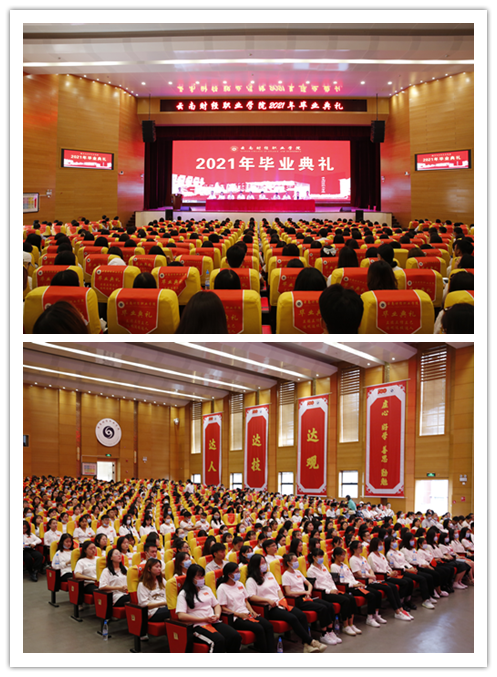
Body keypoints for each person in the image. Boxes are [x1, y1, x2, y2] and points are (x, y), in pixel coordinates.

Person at [245, 554, 325, 653]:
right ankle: (311, 642)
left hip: (280, 603)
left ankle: (306, 645)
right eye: (261, 563)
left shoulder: (269, 575)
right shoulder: (251, 580)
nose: (264, 564)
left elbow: (278, 589)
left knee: (301, 615)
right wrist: (267, 600)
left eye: (264, 562)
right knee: (292, 618)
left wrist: (282, 599)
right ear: (255, 565)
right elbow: (251, 596)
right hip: (269, 607)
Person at [176, 563, 241, 652]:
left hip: (213, 621)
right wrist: (203, 619)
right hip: (198, 625)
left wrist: (217, 615)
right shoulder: (184, 594)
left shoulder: (206, 589)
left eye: (203, 576)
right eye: (199, 576)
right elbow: (181, 615)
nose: (202, 578)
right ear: (191, 577)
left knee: (235, 636)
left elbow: (216, 605)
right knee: (219, 640)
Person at [216, 562, 275, 652]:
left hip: (247, 613)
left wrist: (252, 611)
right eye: (236, 572)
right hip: (235, 617)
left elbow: (246, 600)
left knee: (268, 626)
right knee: (259, 628)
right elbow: (223, 608)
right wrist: (239, 614)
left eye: (239, 571)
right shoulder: (222, 588)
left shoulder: (239, 584)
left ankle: (271, 651)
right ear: (229, 575)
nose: (238, 574)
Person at [348, 540, 412, 621]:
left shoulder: (363, 558)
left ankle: (401, 609)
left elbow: (370, 569)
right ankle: (397, 611)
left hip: (372, 578)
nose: (361, 548)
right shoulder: (353, 559)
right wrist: (371, 576)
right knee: (387, 588)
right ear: (354, 549)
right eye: (360, 547)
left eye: (362, 547)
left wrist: (372, 575)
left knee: (393, 587)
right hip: (366, 581)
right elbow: (359, 574)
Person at [307, 548, 360, 637]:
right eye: (319, 556)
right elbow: (316, 586)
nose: (321, 558)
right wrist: (329, 591)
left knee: (351, 598)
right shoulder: (311, 570)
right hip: (324, 593)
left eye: (322, 556)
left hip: (332, 590)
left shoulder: (323, 567)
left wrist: (334, 588)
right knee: (345, 600)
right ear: (314, 557)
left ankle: (351, 624)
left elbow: (330, 579)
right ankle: (345, 626)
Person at [367, 537, 416, 612]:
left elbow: (387, 566)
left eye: (381, 544)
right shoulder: (371, 556)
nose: (381, 546)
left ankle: (406, 601)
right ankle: (400, 603)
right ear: (375, 545)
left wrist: (391, 571)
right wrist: (388, 574)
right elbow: (376, 570)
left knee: (409, 581)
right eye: (379, 544)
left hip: (389, 574)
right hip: (382, 577)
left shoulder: (381, 555)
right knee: (403, 583)